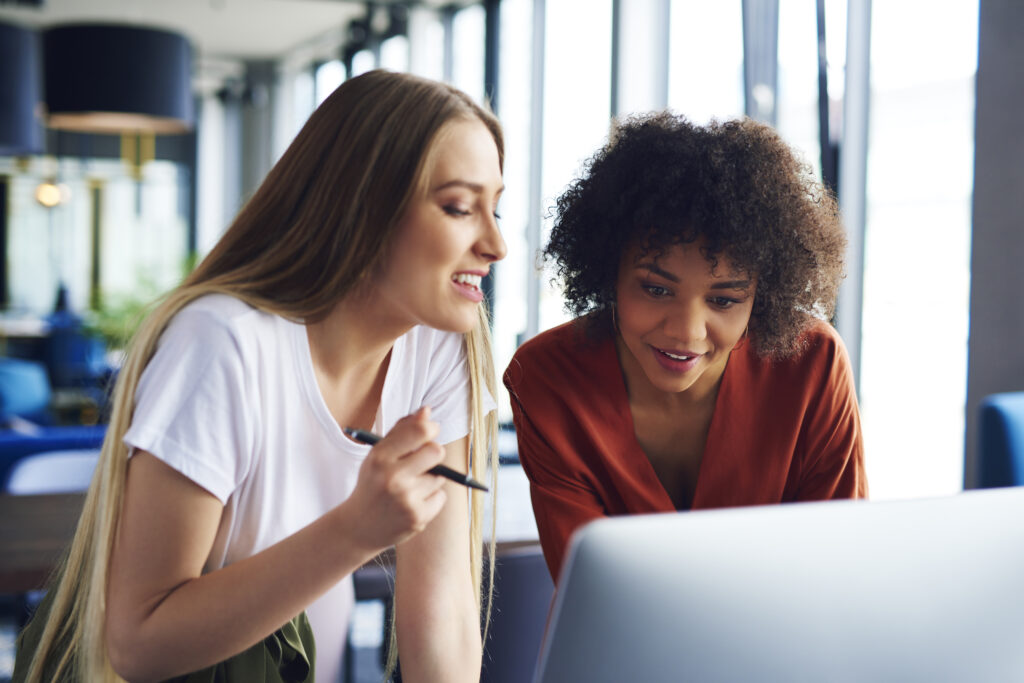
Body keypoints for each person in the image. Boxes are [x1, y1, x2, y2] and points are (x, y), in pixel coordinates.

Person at [14, 69, 506, 683]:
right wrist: (355, 530)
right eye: (460, 207)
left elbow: (444, 612)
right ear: (362, 208)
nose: (496, 244)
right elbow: (138, 646)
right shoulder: (223, 343)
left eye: (496, 207)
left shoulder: (440, 341)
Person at [504, 112, 868, 581]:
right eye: (656, 289)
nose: (686, 331)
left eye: (723, 300)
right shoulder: (548, 378)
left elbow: (838, 566)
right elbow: (590, 591)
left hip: (786, 650)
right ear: (608, 269)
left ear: (763, 294)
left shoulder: (812, 364)